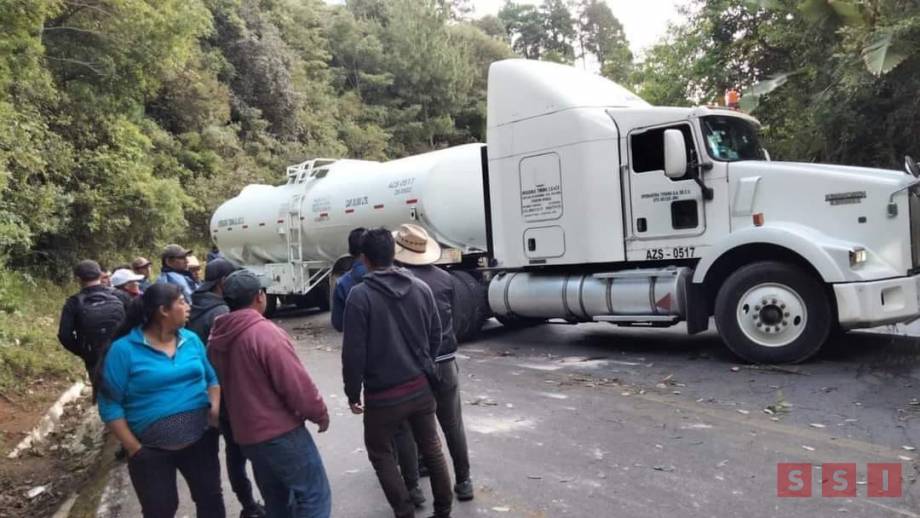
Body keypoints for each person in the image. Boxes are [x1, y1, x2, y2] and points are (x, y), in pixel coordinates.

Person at [342, 228, 452, 518]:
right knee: (432, 448)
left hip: (383, 397)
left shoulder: (359, 296)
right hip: (420, 388)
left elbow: (353, 354)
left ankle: (404, 511)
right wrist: (421, 362)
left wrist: (352, 393)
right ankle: (444, 509)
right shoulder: (421, 288)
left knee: (380, 452)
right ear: (394, 253)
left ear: (364, 259)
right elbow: (435, 335)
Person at [208, 270, 332, 518]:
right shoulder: (264, 333)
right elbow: (296, 384)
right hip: (280, 432)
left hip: (247, 436)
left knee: (276, 501)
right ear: (259, 297)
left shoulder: (216, 337)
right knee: (313, 495)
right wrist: (319, 413)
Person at [95, 283, 225, 518]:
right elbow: (109, 404)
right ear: (164, 310)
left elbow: (211, 379)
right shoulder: (124, 350)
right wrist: (134, 448)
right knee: (160, 509)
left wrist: (214, 412)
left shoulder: (191, 339)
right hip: (151, 452)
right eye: (182, 302)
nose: (188, 306)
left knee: (211, 500)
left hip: (200, 441)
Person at [393, 224, 474, 501]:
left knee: (409, 426)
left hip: (413, 366)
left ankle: (414, 488)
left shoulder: (398, 283)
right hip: (446, 361)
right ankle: (464, 481)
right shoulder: (445, 279)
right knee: (453, 425)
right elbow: (455, 319)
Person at [187, 260, 267, 518]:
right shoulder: (220, 311)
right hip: (230, 393)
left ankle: (247, 504)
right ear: (223, 282)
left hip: (206, 391)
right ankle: (258, 506)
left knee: (233, 455)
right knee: (252, 452)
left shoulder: (194, 305)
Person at [58, 260, 126, 377]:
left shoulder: (73, 303)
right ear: (100, 275)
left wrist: (83, 351)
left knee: (101, 390)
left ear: (78, 279)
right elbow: (136, 322)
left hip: (94, 356)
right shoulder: (119, 295)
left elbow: (64, 335)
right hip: (122, 352)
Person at [331, 227, 367, 332]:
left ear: (350, 251)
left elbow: (338, 324)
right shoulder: (386, 277)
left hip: (356, 343)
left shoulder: (342, 284)